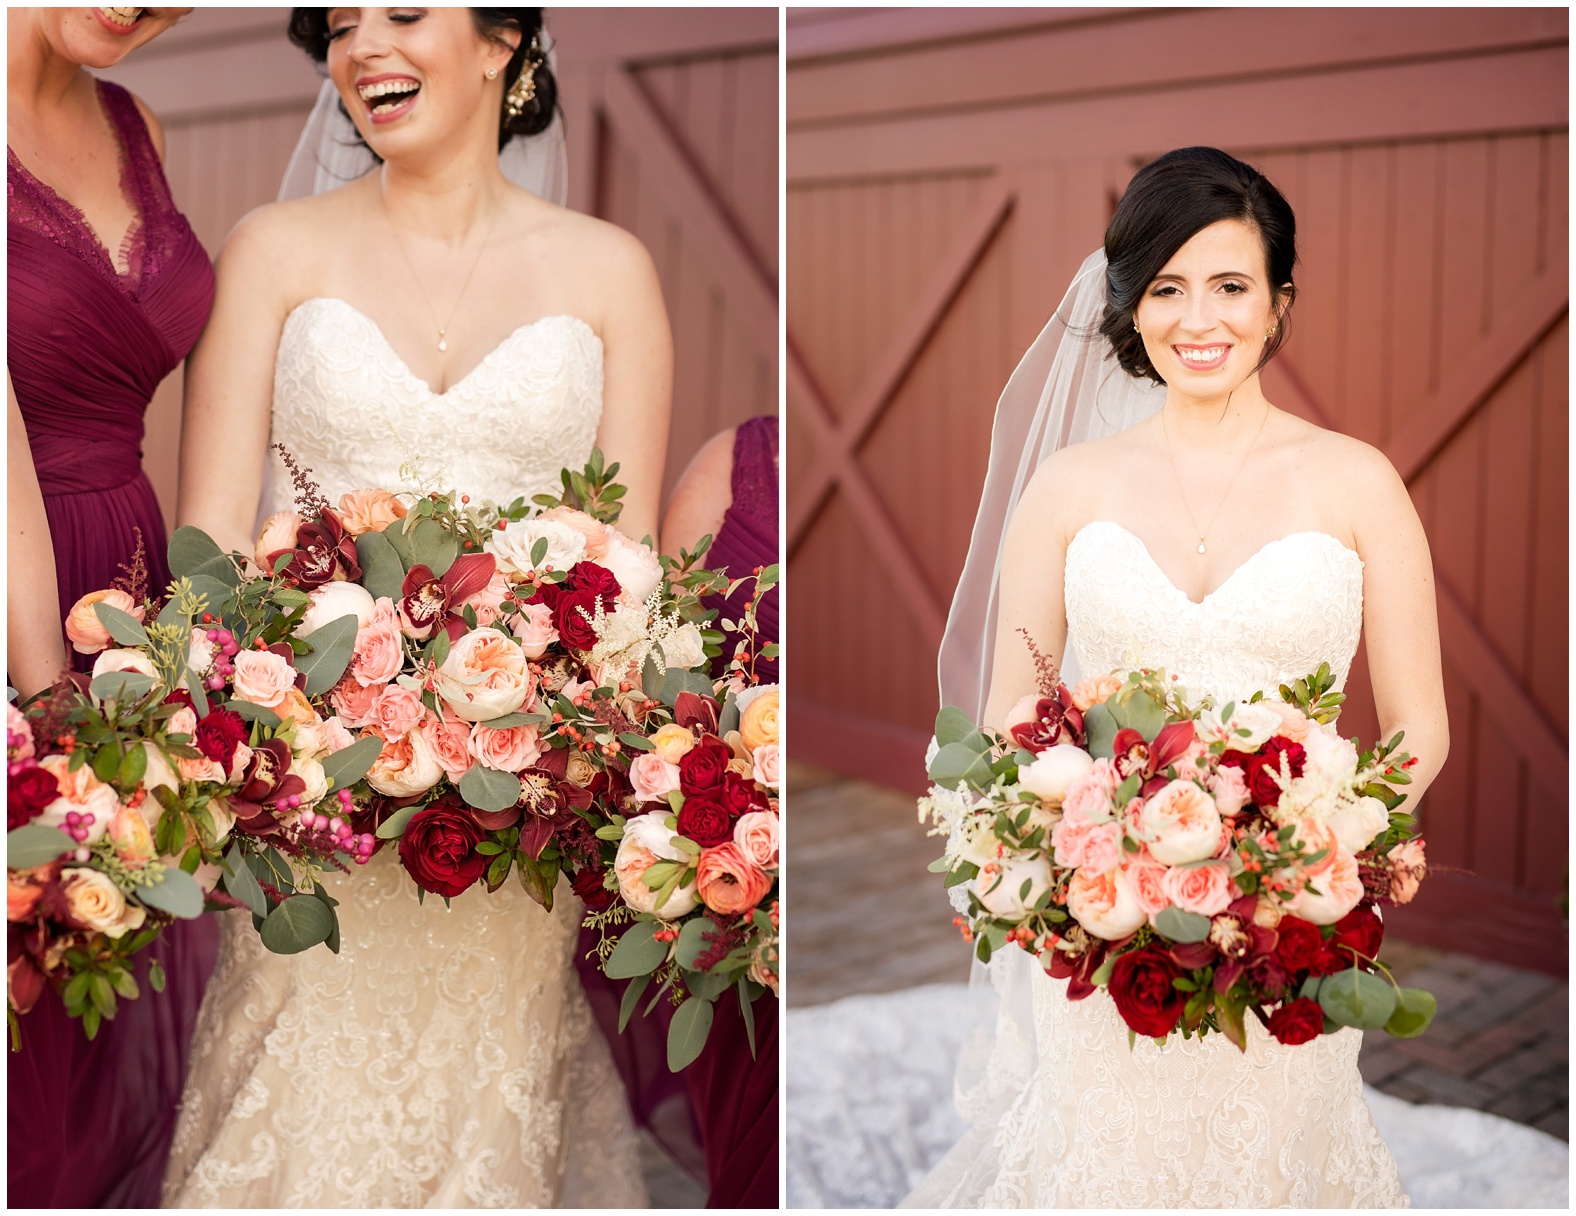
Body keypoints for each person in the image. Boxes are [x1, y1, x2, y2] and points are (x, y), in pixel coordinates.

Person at [163, 7, 670, 1205]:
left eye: (403, 12)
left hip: (512, 823)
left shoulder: (610, 270)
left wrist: (548, 724)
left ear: (502, 40)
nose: (362, 48)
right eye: (340, 25)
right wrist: (278, 732)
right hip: (312, 816)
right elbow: (210, 549)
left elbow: (632, 566)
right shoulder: (273, 251)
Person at [909, 146, 1448, 1207]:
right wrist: (1099, 851)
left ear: (1280, 301)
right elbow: (1017, 714)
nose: (1198, 320)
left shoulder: (1356, 482)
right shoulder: (1067, 487)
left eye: (1231, 286)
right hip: (1106, 913)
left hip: (1292, 917)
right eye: (1165, 288)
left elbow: (1421, 723)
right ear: (1128, 304)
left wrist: (1312, 854)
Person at [7, 6, 221, 1207]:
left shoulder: (131, 122)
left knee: (108, 990)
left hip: (128, 594)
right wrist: (45, 710)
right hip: (17, 598)